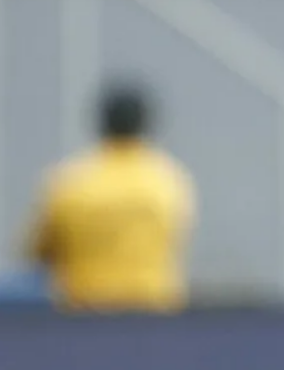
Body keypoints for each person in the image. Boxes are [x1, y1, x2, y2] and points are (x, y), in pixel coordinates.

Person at [23, 83, 196, 312]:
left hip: (83, 316)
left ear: (101, 122)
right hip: (153, 313)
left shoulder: (69, 181)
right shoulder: (169, 181)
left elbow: (37, 252)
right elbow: (178, 237)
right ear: (145, 124)